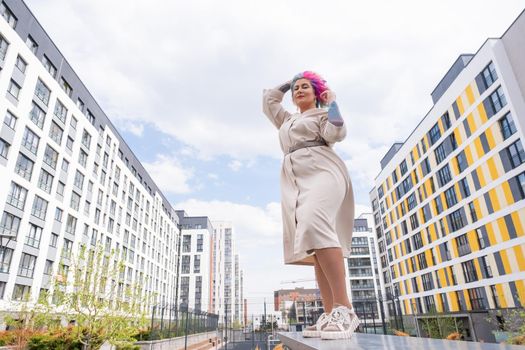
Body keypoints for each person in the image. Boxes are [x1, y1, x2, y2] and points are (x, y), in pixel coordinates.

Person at [262, 71, 360, 340]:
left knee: (316, 224)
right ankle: (331, 313)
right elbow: (269, 102)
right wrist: (290, 80)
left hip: (323, 169)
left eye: (306, 87)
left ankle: (345, 309)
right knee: (314, 242)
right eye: (295, 89)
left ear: (317, 92)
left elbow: (336, 132)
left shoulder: (322, 114)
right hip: (296, 179)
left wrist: (331, 103)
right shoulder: (288, 120)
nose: (299, 90)